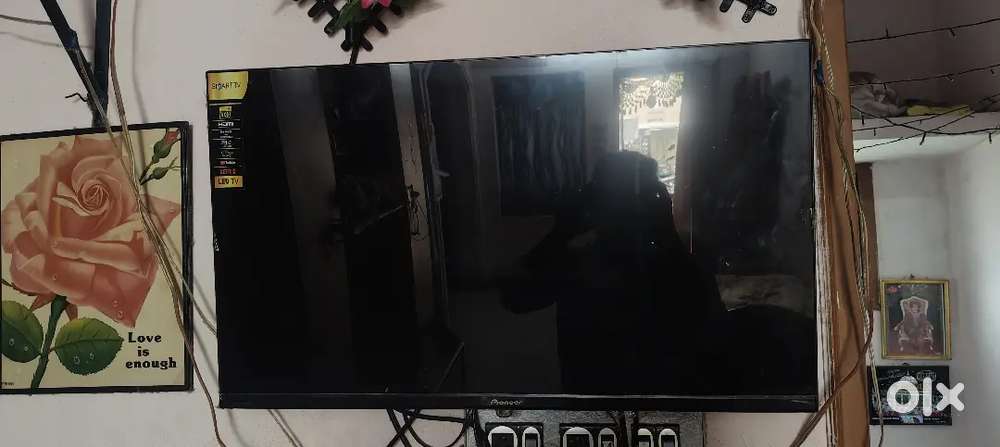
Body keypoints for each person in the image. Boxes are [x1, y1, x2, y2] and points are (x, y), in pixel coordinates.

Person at [501, 151, 724, 394]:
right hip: (646, 395)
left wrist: (562, 233)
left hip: (600, 395)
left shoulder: (582, 259)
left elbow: (515, 296)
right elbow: (515, 296)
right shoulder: (667, 258)